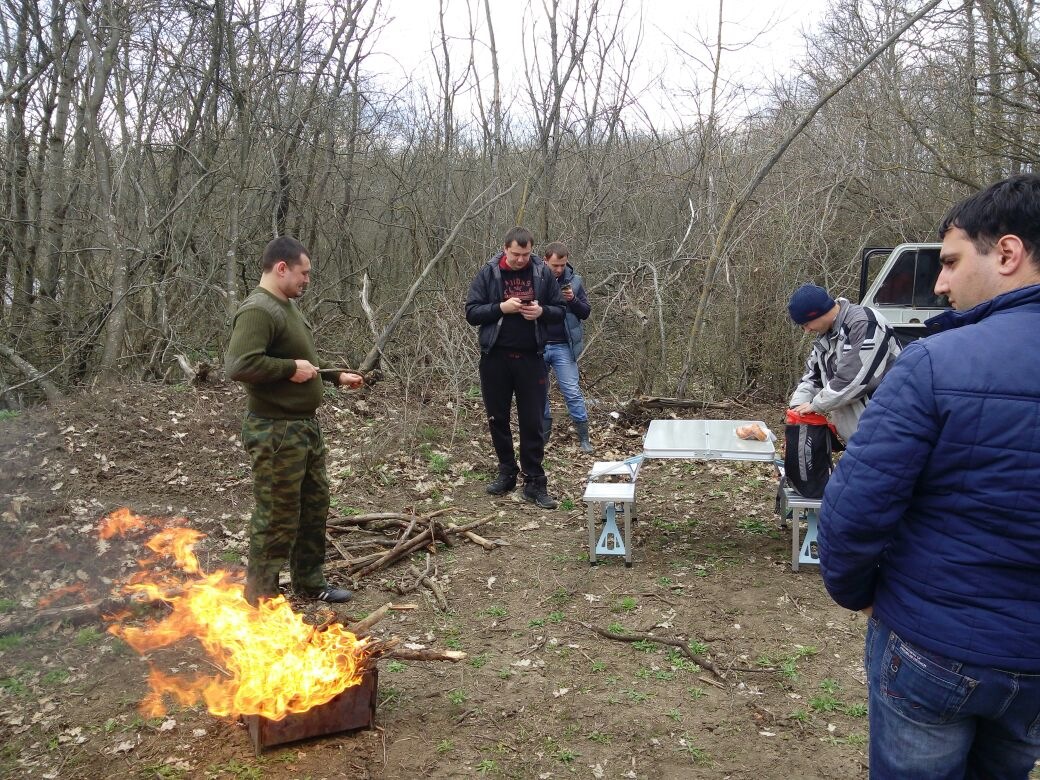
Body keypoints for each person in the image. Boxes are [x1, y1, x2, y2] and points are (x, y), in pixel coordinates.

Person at [819, 174, 1040, 778]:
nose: (939, 283)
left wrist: (859, 593)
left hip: (932, 649)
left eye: (949, 262)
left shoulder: (936, 363)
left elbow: (853, 508)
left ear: (1007, 253)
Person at [225, 236, 362, 606]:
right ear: (281, 268)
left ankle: (309, 581)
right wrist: (289, 369)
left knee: (314, 506)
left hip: (303, 428)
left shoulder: (285, 306)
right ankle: (261, 598)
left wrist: (333, 375)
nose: (307, 280)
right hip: (275, 432)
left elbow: (300, 364)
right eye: (304, 273)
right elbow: (239, 365)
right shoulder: (258, 309)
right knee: (277, 515)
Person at [465, 227, 566, 509]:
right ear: (505, 249)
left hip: (531, 357)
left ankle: (534, 482)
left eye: (526, 254)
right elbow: (472, 312)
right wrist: (501, 307)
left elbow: (560, 310)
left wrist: (542, 312)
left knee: (532, 421)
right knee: (497, 419)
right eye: (515, 254)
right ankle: (507, 472)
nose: (521, 259)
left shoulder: (542, 273)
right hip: (495, 357)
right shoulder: (489, 273)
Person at [787, 283, 901, 442]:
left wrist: (815, 405)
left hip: (887, 429)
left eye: (806, 324)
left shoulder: (864, 323)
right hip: (859, 436)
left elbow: (853, 379)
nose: (807, 331)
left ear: (819, 313)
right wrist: (796, 407)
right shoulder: (826, 336)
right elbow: (814, 376)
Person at [541, 241, 593, 453]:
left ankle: (584, 438)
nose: (559, 269)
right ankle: (542, 438)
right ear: (545, 261)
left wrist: (572, 300)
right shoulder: (535, 281)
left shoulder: (575, 282)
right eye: (555, 265)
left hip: (564, 346)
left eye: (563, 265)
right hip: (538, 346)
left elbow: (585, 313)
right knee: (538, 393)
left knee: (572, 391)